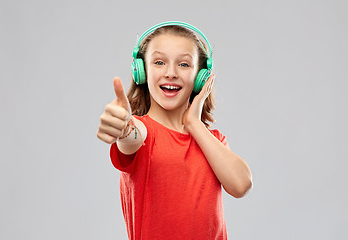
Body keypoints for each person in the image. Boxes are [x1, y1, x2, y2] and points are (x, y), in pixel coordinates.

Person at [97, 21, 253, 240]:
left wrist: (194, 124)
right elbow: (131, 137)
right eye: (159, 62)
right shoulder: (142, 131)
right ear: (142, 72)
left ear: (201, 78)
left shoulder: (212, 140)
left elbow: (241, 184)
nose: (171, 73)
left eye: (184, 65)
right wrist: (122, 127)